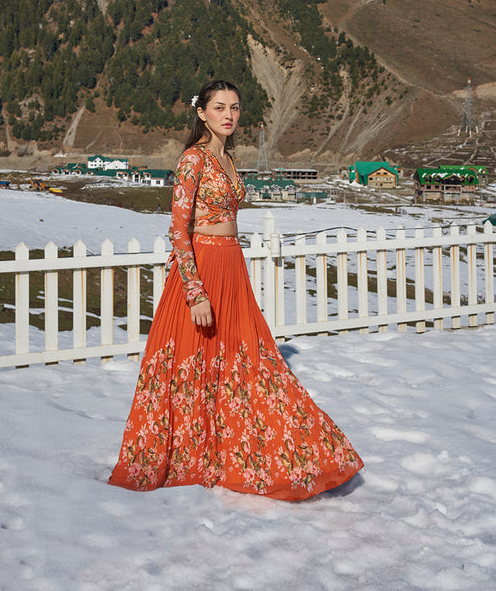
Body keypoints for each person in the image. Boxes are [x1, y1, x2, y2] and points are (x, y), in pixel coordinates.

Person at [108, 79, 363, 500]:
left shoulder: (229, 158)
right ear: (201, 113)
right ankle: (189, 456)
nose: (229, 114)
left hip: (231, 264)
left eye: (235, 108)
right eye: (220, 107)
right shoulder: (193, 159)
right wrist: (194, 291)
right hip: (203, 268)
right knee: (192, 365)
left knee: (248, 362)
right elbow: (178, 229)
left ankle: (255, 454)